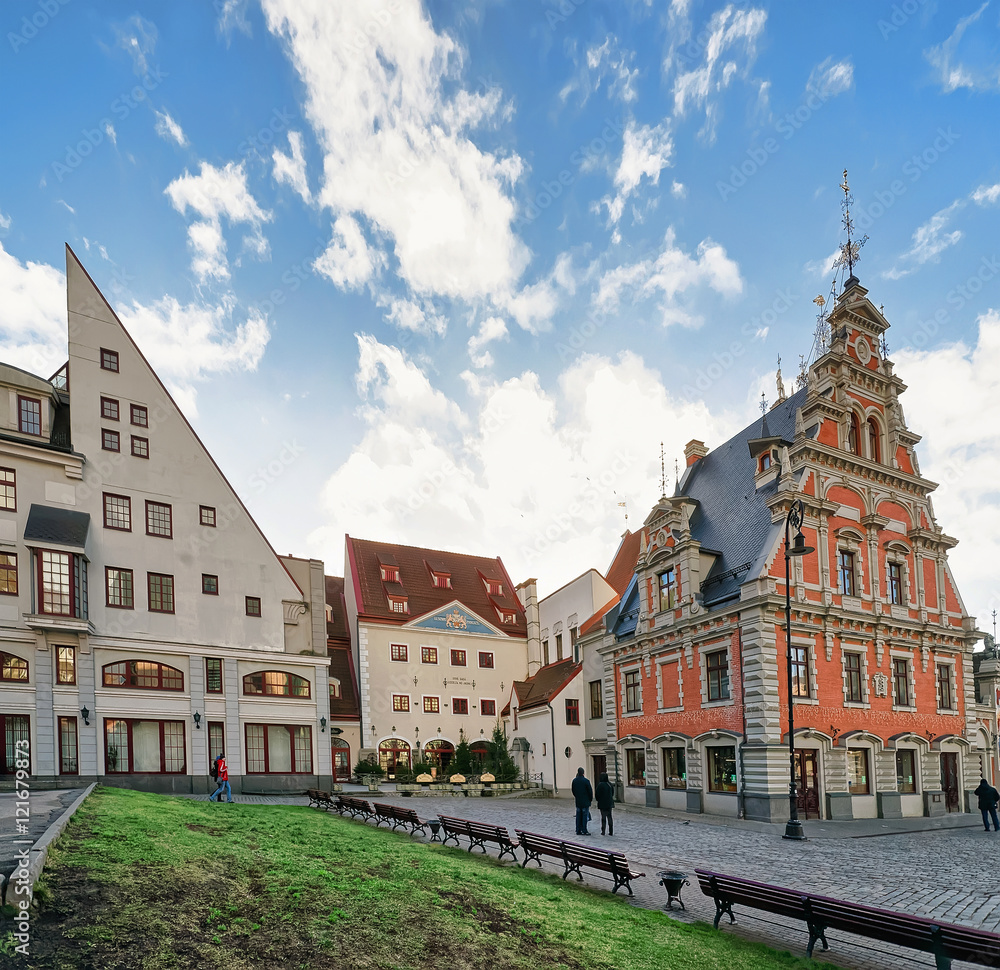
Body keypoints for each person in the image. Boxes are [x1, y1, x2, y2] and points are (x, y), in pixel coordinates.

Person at [571, 766, 593, 836]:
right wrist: (590, 799)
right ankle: (584, 829)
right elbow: (590, 791)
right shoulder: (586, 781)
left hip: (578, 801)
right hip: (585, 801)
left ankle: (578, 830)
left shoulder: (574, 781)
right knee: (584, 816)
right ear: (583, 773)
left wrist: (577, 796)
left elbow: (573, 790)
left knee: (578, 816)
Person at [595, 771, 615, 836]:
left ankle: (603, 831)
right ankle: (611, 831)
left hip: (602, 804)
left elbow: (597, 795)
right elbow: (612, 793)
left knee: (603, 818)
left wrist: (598, 800)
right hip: (609, 803)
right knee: (610, 817)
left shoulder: (600, 785)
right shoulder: (610, 784)